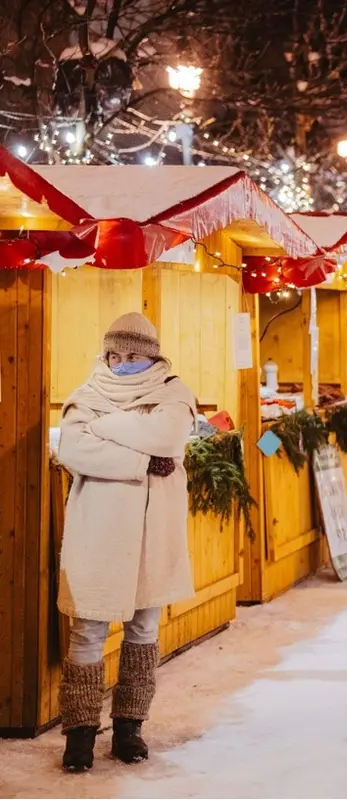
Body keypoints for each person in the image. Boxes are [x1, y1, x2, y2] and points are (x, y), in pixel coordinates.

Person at [54, 313, 197, 772]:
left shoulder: (173, 393)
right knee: (88, 630)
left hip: (154, 529)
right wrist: (140, 462)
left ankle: (129, 728)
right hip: (98, 528)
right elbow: (74, 450)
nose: (121, 363)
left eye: (132, 356)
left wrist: (106, 427)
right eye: (114, 354)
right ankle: (79, 733)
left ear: (151, 355)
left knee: (143, 628)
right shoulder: (87, 393)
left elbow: (168, 436)